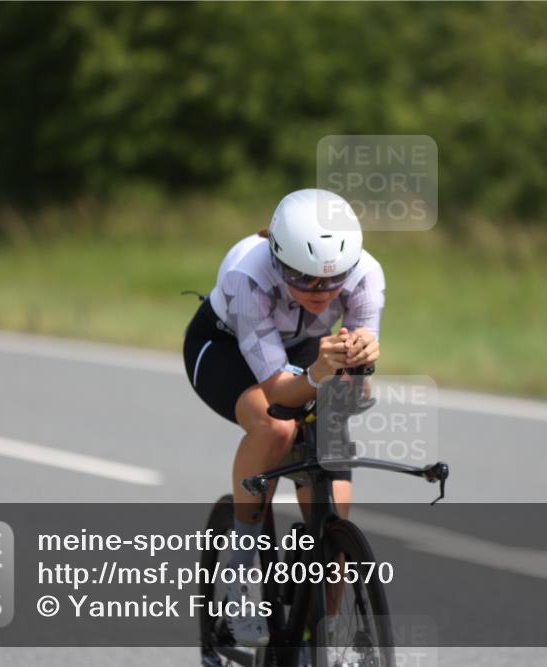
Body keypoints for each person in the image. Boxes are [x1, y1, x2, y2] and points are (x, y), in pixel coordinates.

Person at [182, 188, 385, 646]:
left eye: (332, 281)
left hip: (304, 349)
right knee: (276, 426)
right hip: (225, 349)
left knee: (332, 466)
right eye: (303, 278)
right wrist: (319, 374)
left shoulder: (366, 275)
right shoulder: (247, 276)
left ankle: (323, 632)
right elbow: (277, 392)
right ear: (277, 259)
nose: (321, 293)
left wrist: (358, 371)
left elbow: (353, 389)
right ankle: (241, 571)